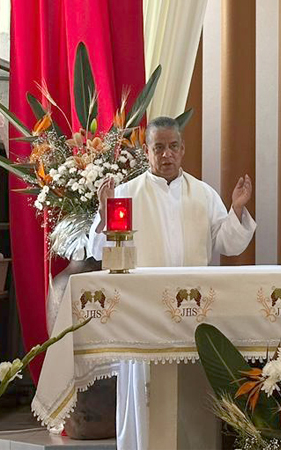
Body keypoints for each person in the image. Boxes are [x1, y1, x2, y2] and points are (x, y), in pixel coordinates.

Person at [87, 116, 256, 450]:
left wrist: (236, 210)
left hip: (193, 310)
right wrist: (105, 217)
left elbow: (228, 244)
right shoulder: (126, 193)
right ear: (146, 152)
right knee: (144, 394)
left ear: (183, 149)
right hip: (145, 313)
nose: (167, 155)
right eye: (159, 148)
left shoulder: (203, 194)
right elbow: (99, 252)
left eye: (173, 147)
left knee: (191, 393)